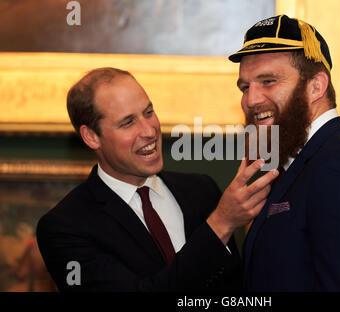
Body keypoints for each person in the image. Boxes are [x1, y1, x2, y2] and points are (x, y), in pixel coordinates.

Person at [36, 67, 278, 291]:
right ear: (91, 137)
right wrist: (220, 224)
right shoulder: (65, 228)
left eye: (149, 112)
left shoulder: (201, 191)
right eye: (128, 122)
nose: (150, 130)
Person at [229, 15, 340, 291]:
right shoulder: (300, 162)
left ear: (316, 86)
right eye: (245, 87)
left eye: (268, 81)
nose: (251, 99)